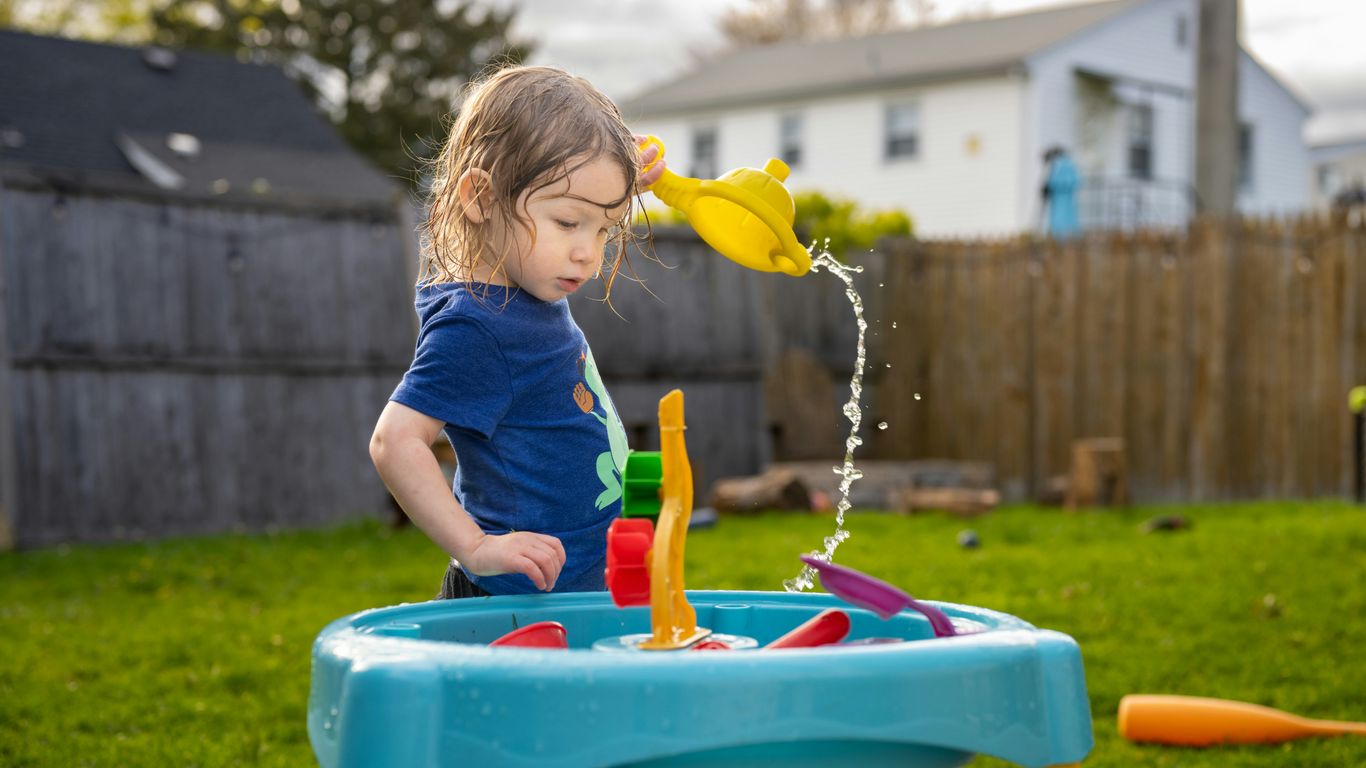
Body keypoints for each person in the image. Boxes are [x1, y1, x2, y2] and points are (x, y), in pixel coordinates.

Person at [369, 65, 666, 598]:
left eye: (604, 229)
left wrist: (616, 185)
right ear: (481, 198)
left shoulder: (521, 294)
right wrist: (477, 547)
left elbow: (570, 200)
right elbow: (395, 441)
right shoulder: (476, 326)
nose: (589, 254)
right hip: (517, 601)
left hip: (576, 589)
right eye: (568, 223)